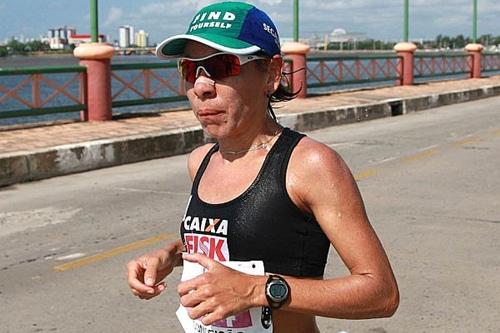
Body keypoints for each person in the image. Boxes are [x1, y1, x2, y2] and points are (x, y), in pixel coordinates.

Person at [126, 2, 399, 332]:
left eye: (222, 65)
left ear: (270, 73)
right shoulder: (200, 161)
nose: (201, 87)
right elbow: (242, 241)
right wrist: (170, 256)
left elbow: (381, 293)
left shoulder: (309, 165)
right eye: (190, 70)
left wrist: (256, 289)